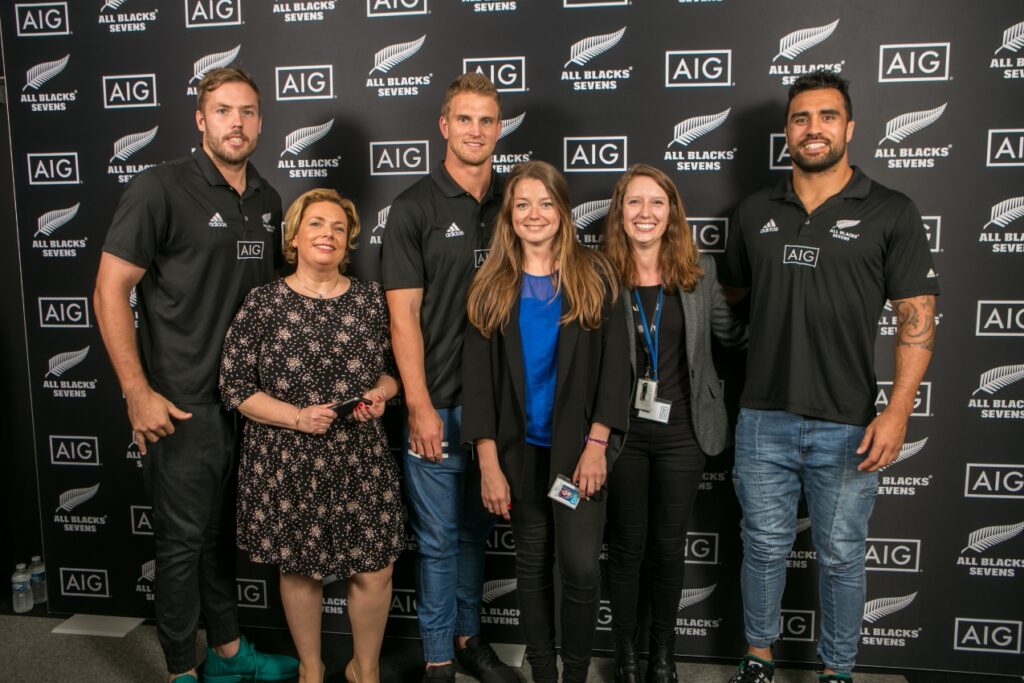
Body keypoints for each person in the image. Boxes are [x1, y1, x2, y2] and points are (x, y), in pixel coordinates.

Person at [720, 70, 939, 683]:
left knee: (841, 554)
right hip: (762, 415)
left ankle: (838, 670)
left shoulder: (891, 209)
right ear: (787, 130)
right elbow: (733, 293)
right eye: (800, 118)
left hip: (849, 422)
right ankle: (757, 660)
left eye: (826, 116)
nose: (813, 129)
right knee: (762, 548)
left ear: (849, 127)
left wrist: (897, 411)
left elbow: (917, 316)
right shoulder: (755, 210)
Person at [93, 68, 298, 683]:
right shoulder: (159, 187)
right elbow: (109, 290)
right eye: (223, 110)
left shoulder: (266, 199)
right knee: (181, 548)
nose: (237, 122)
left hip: (249, 405)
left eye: (249, 112)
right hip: (180, 405)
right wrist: (137, 392)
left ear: (261, 122)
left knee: (218, 541)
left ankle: (229, 654)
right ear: (200, 119)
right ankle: (183, 669)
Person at [219, 189, 403, 683]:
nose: (328, 234)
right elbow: (235, 387)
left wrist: (381, 393)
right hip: (286, 456)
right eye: (317, 224)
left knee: (375, 569)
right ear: (295, 237)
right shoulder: (264, 301)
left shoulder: (369, 299)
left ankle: (364, 669)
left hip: (358, 456)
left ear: (349, 243)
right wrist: (297, 417)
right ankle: (312, 669)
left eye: (339, 228)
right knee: (300, 570)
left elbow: (393, 372)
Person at [462, 160, 631, 683]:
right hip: (520, 455)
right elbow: (480, 386)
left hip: (578, 454)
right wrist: (488, 463)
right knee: (531, 568)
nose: (534, 215)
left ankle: (574, 673)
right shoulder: (491, 285)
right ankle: (542, 672)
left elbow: (614, 372)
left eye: (545, 203)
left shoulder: (596, 275)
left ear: (562, 210)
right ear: (509, 216)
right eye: (521, 205)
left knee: (580, 569)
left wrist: (597, 444)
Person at [380, 73, 517, 683]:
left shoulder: (519, 202)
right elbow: (402, 317)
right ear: (444, 126)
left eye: (487, 120)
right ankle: (437, 658)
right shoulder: (414, 206)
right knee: (436, 540)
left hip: (499, 410)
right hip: (436, 404)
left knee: (472, 536)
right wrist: (419, 406)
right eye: (465, 119)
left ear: (499, 128)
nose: (477, 131)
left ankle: (468, 639)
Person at [600, 164, 746, 683]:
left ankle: (662, 657)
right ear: (619, 212)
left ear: (672, 213)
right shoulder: (599, 275)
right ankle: (624, 657)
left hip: (685, 431)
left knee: (668, 547)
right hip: (621, 435)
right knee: (625, 549)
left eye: (656, 203)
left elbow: (731, 337)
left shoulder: (698, 273)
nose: (645, 213)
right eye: (634, 202)